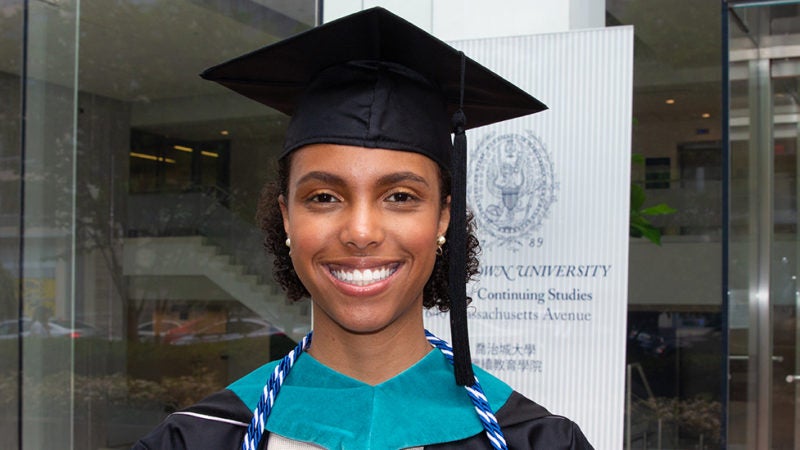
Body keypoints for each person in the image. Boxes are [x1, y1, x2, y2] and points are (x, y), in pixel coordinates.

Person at [133, 7, 593, 450]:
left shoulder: (532, 440)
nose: (360, 231)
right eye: (324, 197)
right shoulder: (199, 438)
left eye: (400, 197)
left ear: (443, 219)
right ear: (287, 217)